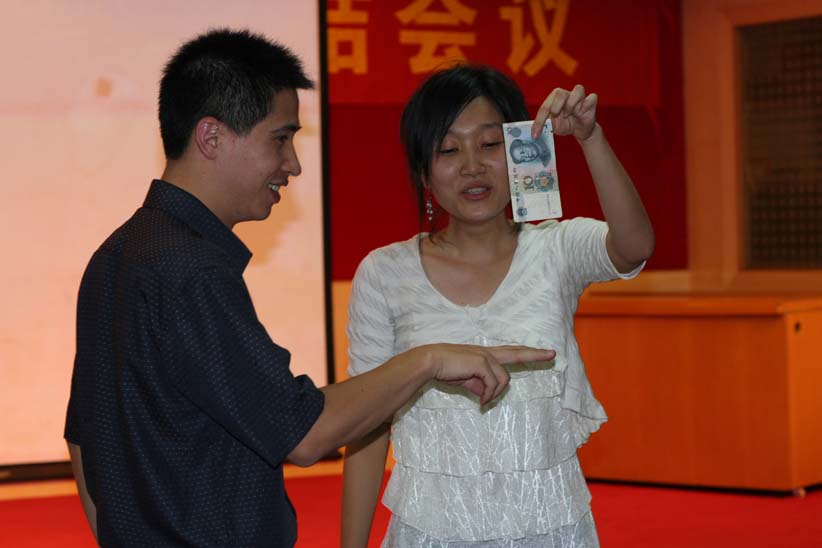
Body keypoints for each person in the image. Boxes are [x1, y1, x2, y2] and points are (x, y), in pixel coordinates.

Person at [63, 31, 554, 548]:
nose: (293, 164)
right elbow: (305, 432)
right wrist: (428, 360)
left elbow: (83, 439)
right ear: (211, 137)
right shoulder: (190, 271)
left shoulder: (117, 252)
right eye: (280, 139)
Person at [340, 65, 655, 547]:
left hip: (550, 530)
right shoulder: (384, 273)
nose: (472, 165)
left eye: (490, 144)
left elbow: (634, 247)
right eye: (449, 150)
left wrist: (590, 138)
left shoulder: (555, 249)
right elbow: (365, 421)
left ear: (521, 150)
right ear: (424, 172)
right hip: (431, 533)